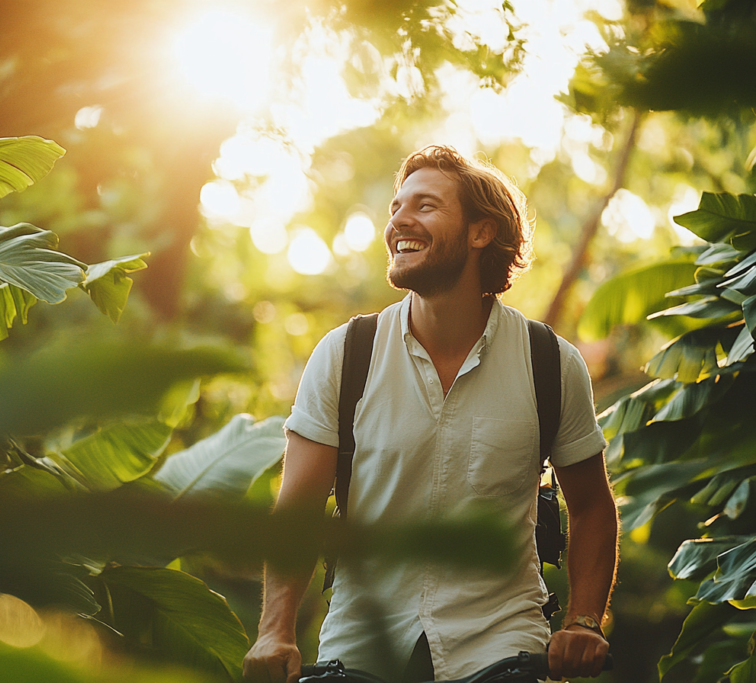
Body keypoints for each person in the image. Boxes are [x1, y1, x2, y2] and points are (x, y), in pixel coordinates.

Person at [242, 146, 619, 683]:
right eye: (396, 207)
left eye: (424, 205)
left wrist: (584, 621)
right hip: (362, 644)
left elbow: (590, 506)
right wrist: (274, 631)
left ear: (480, 232)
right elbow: (297, 511)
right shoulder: (345, 354)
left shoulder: (549, 362)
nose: (398, 220)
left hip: (501, 644)